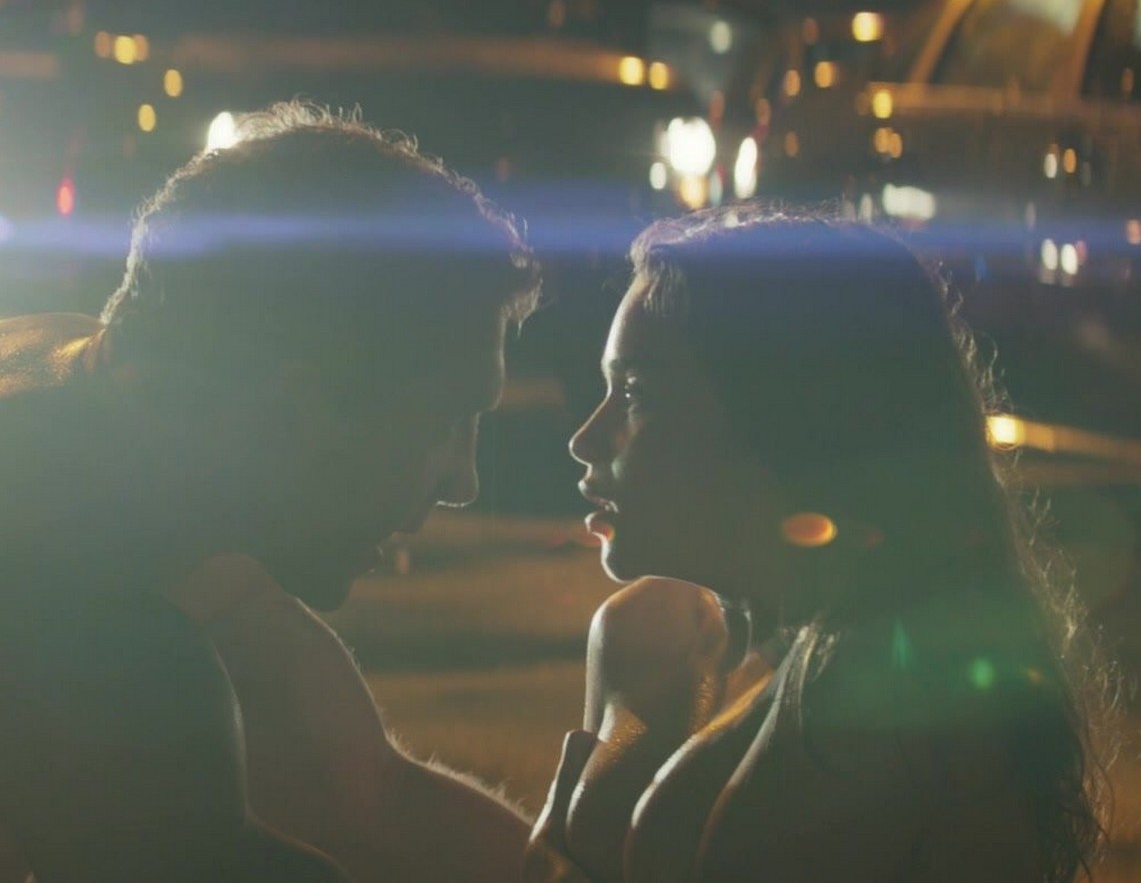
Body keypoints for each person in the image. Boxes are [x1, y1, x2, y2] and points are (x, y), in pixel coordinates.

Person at [0, 101, 541, 881]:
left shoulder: (74, 376)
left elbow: (373, 795)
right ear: (297, 405)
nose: (464, 480)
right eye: (442, 423)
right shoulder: (94, 625)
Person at [525, 207, 1115, 882]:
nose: (585, 439)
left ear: (784, 412)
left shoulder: (881, 708)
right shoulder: (756, 644)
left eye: (635, 393)